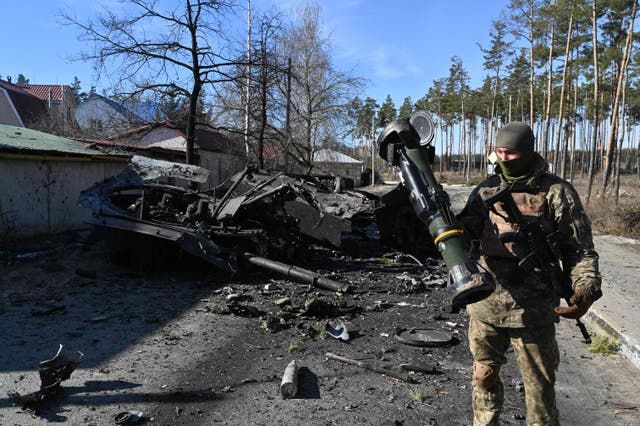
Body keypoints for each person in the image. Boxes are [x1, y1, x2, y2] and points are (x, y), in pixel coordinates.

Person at [456, 121, 602, 425]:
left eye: (512, 154)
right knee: (483, 378)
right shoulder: (485, 190)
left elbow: (579, 249)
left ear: (528, 152)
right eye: (500, 152)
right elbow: (462, 239)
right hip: (486, 305)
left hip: (534, 309)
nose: (504, 159)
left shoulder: (557, 192)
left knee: (540, 393)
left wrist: (585, 288)